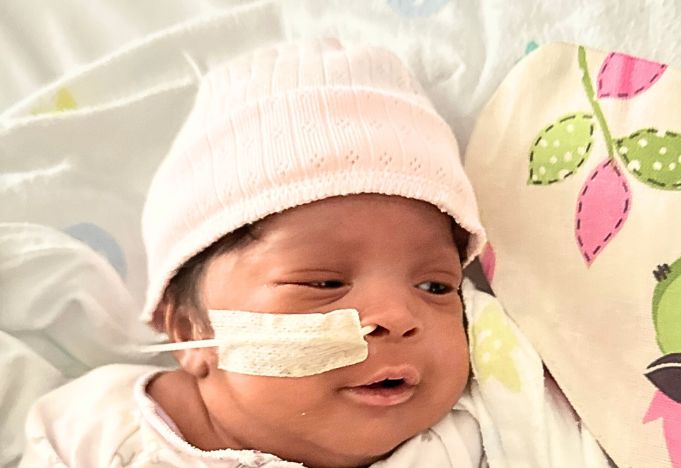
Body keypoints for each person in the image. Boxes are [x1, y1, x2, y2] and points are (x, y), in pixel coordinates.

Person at [19, 39, 601, 468]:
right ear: (193, 329)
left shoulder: (474, 437)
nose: (397, 317)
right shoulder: (103, 430)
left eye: (436, 287)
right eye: (323, 284)